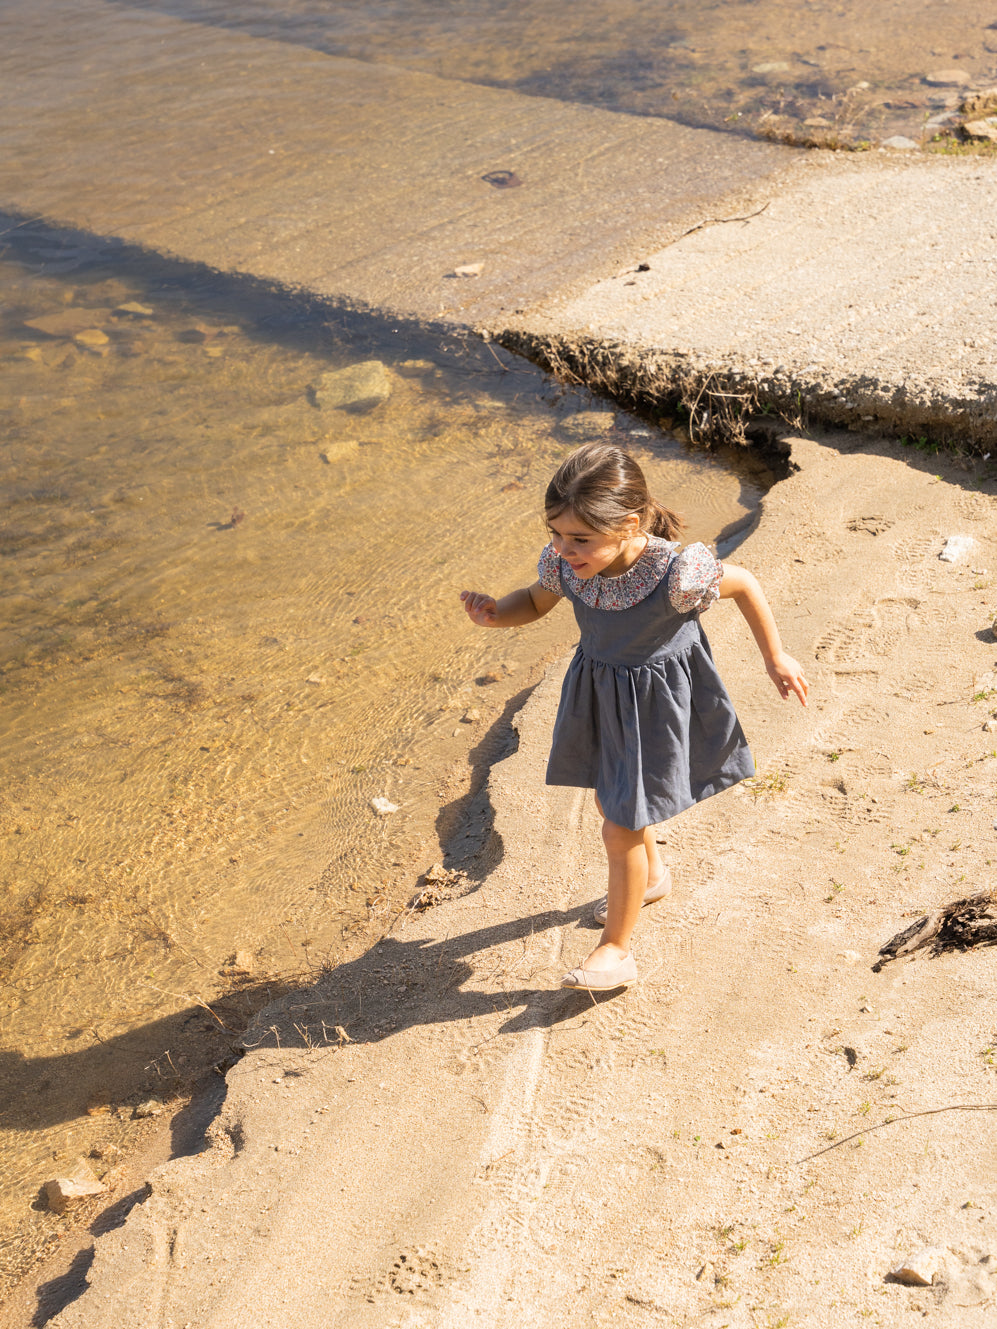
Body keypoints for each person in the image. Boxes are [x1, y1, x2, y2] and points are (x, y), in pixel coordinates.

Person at [460, 441, 808, 992]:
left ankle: (616, 951)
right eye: (555, 533)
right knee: (609, 796)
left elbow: (744, 583)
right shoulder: (566, 565)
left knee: (620, 824)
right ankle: (652, 879)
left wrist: (776, 656)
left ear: (628, 524)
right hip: (600, 692)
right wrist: (495, 614)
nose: (563, 548)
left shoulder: (675, 574)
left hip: (657, 702)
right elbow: (534, 600)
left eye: (579, 539)